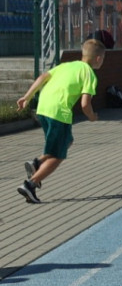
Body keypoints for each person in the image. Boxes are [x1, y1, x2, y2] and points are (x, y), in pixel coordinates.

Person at [16, 39, 105, 204]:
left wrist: (27, 97)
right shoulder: (89, 74)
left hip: (43, 108)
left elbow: (43, 77)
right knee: (58, 155)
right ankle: (31, 184)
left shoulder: (66, 65)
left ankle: (36, 163)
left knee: (67, 140)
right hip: (59, 112)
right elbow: (85, 104)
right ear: (98, 59)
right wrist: (92, 117)